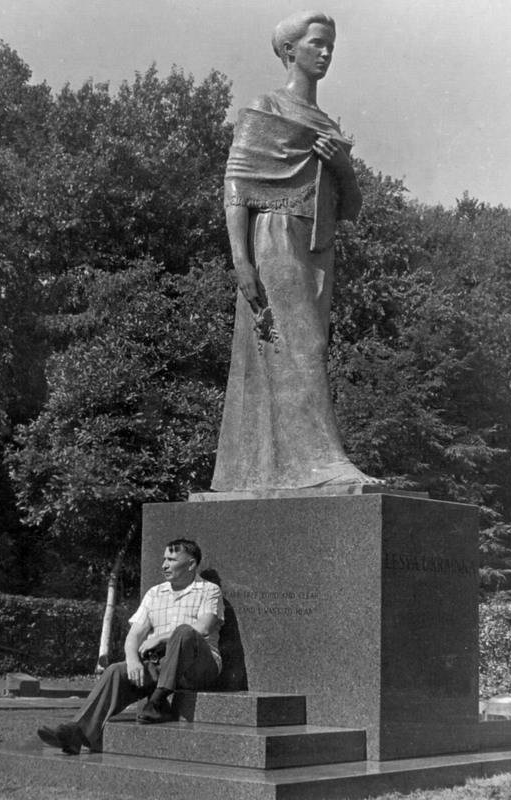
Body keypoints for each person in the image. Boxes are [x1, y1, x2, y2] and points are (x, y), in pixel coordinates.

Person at [211, 10, 381, 492]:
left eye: (330, 45)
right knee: (303, 345)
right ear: (290, 51)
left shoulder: (325, 124)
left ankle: (290, 466)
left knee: (308, 348)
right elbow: (236, 187)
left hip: (316, 247)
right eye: (316, 44)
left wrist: (343, 167)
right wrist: (241, 261)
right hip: (275, 238)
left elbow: (352, 208)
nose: (325, 53)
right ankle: (324, 462)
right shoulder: (266, 108)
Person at [36, 538, 224, 755]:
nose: (164, 565)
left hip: (199, 666)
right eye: (163, 559)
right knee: (117, 670)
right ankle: (76, 733)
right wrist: (133, 661)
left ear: (191, 564)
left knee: (184, 631)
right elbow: (134, 634)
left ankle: (158, 701)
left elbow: (203, 628)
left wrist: (161, 637)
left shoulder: (209, 590)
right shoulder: (155, 593)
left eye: (171, 559)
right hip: (160, 664)